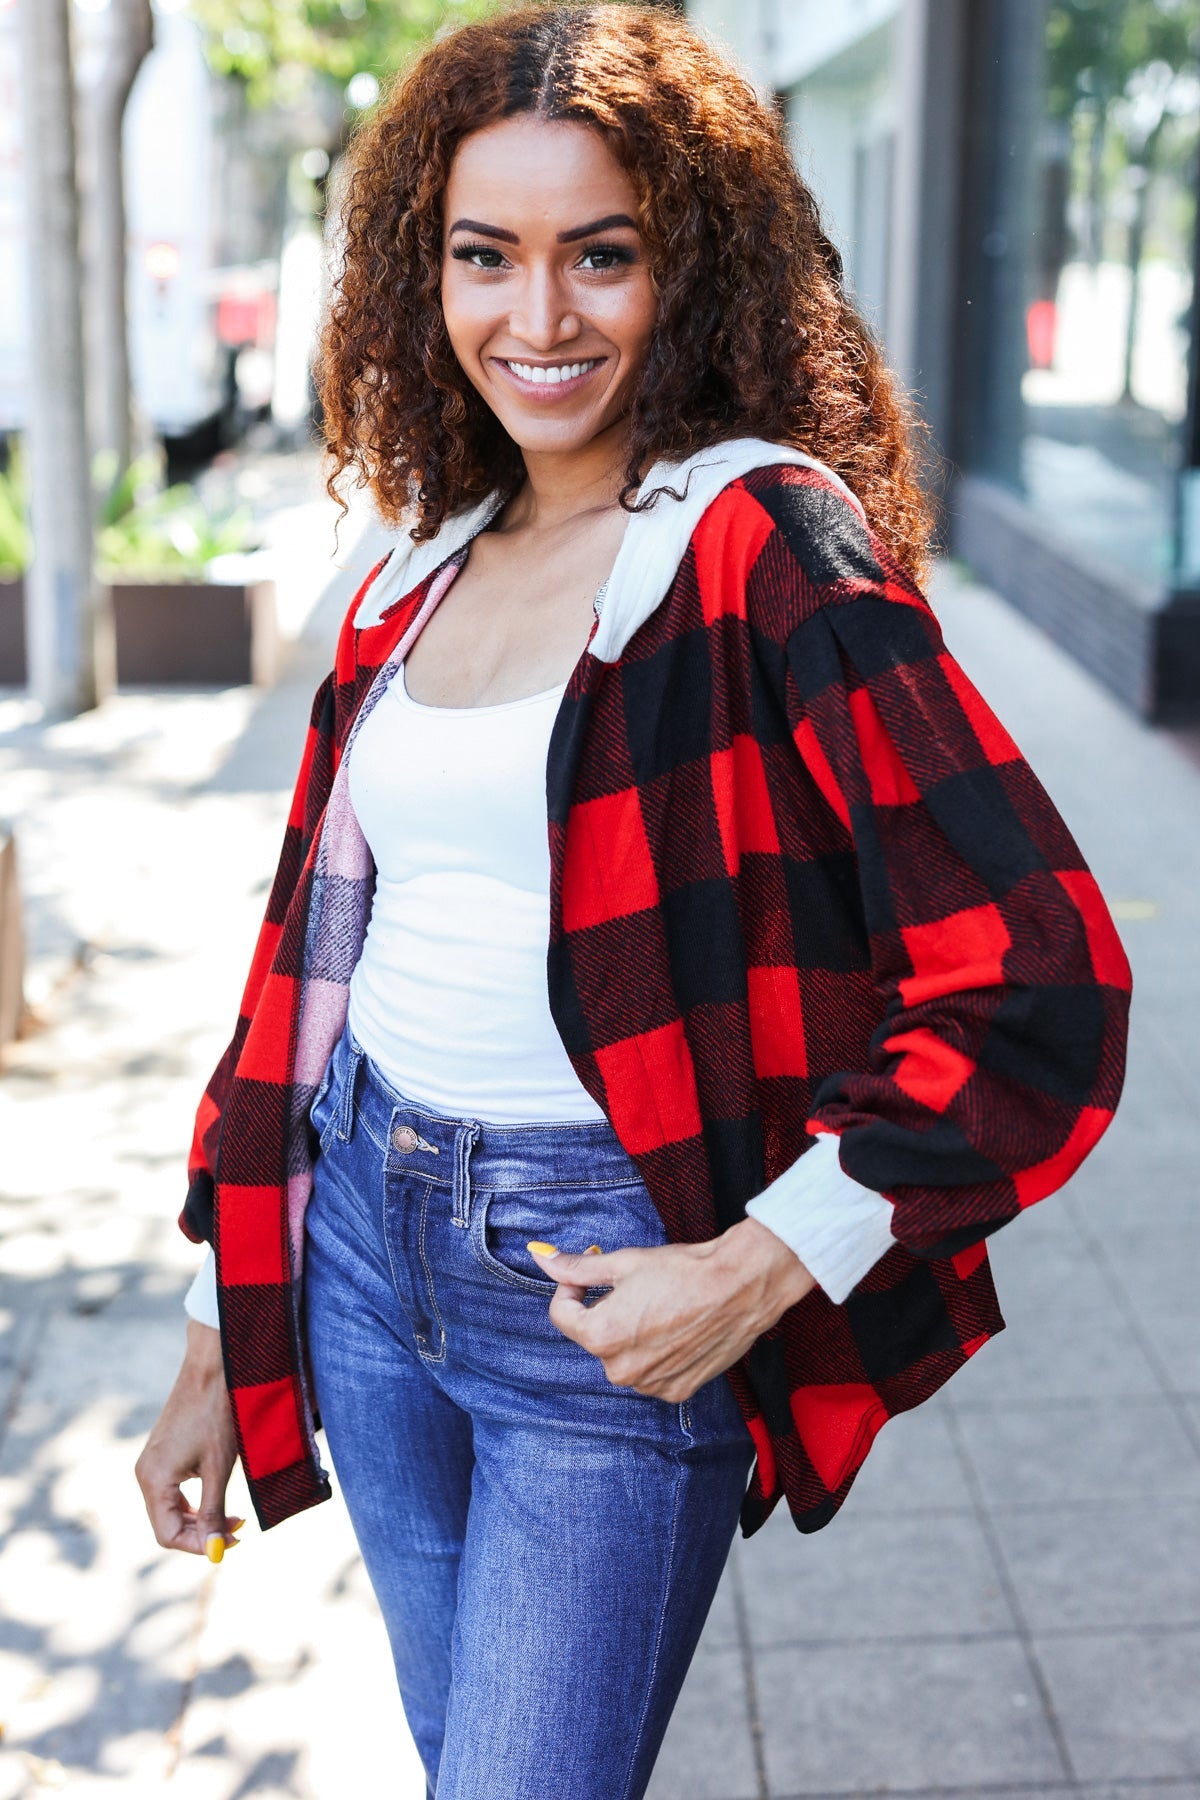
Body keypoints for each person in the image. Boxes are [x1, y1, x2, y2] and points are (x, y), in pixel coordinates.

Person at [135, 7, 1132, 1796]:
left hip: (600, 1287)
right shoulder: (418, 566)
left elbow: (1039, 976)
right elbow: (306, 965)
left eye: (602, 253)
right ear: (422, 275)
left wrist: (760, 1267)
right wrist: (223, 1323)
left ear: (694, 267)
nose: (540, 316)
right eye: (485, 256)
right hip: (358, 1246)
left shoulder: (756, 546)